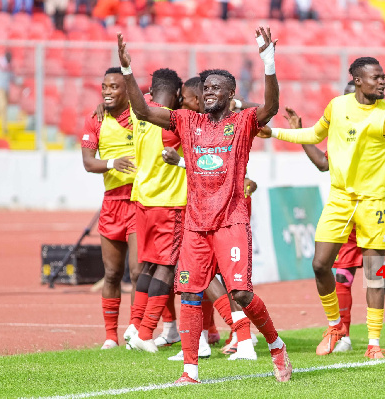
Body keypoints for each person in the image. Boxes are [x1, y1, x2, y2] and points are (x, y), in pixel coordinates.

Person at [117, 27, 292, 383]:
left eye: (217, 88)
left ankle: (275, 344)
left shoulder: (242, 122)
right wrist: (126, 71)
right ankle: (190, 370)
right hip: (195, 223)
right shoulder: (187, 120)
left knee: (241, 292)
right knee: (190, 293)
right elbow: (142, 111)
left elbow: (271, 107)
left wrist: (268, 62)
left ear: (231, 94)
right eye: (206, 88)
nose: (210, 92)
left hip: (230, 220)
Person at [270, 57, 385, 356]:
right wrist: (274, 132)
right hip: (340, 200)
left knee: (376, 274)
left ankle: (374, 344)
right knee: (320, 265)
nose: (382, 82)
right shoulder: (337, 107)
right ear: (357, 79)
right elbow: (313, 135)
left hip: (374, 203)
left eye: (383, 76)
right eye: (375, 77)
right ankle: (336, 326)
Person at [163, 76, 259, 362]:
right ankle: (205, 339)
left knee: (229, 280)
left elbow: (260, 122)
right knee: (197, 278)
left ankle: (243, 337)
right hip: (199, 210)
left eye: (187, 99)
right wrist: (179, 161)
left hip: (227, 210)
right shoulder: (190, 124)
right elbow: (202, 160)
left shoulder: (238, 120)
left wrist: (236, 103)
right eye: (200, 93)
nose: (188, 103)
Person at [122, 68, 184, 353]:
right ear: (177, 94)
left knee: (147, 265)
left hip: (142, 199)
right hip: (168, 203)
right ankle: (146, 333)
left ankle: (135, 325)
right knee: (167, 268)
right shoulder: (171, 124)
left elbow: (134, 104)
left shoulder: (139, 113)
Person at [81, 67, 140, 350]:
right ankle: (110, 336)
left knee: (139, 271)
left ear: (127, 89)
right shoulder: (96, 120)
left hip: (139, 201)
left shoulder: (141, 115)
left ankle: (136, 332)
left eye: (114, 87)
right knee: (112, 273)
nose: (107, 91)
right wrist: (112, 163)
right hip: (112, 203)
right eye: (104, 86)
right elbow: (88, 163)